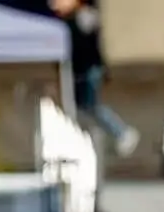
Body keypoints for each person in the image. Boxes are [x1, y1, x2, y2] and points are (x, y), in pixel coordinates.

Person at [51, 0, 138, 156]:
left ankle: (121, 132)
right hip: (81, 69)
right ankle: (115, 133)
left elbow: (82, 42)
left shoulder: (85, 16)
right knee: (82, 105)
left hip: (88, 68)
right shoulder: (76, 17)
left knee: (90, 105)